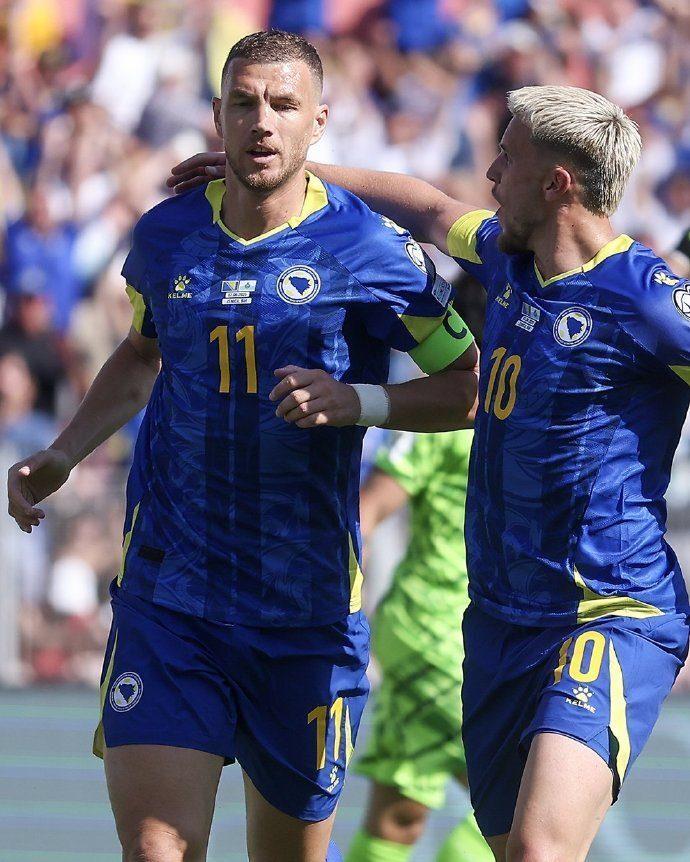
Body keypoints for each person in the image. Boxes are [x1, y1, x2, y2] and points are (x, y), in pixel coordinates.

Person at [170, 84, 690, 861]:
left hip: (607, 610)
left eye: (507, 159)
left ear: (558, 184)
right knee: (510, 847)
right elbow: (427, 207)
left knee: (539, 850)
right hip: (498, 623)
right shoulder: (509, 259)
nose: (490, 174)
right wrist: (298, 175)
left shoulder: (647, 300)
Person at [7, 30, 478, 862]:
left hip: (304, 614)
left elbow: (468, 387)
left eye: (284, 105)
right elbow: (144, 353)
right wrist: (65, 452)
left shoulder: (371, 251)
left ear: (319, 121)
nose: (262, 122)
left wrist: (359, 402)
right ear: (217, 116)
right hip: (170, 598)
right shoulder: (165, 235)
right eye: (244, 102)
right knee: (157, 849)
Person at [346, 428, 493, 862]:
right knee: (529, 796)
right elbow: (368, 510)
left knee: (399, 813)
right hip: (436, 637)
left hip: (483, 636)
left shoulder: (553, 410)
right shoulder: (450, 413)